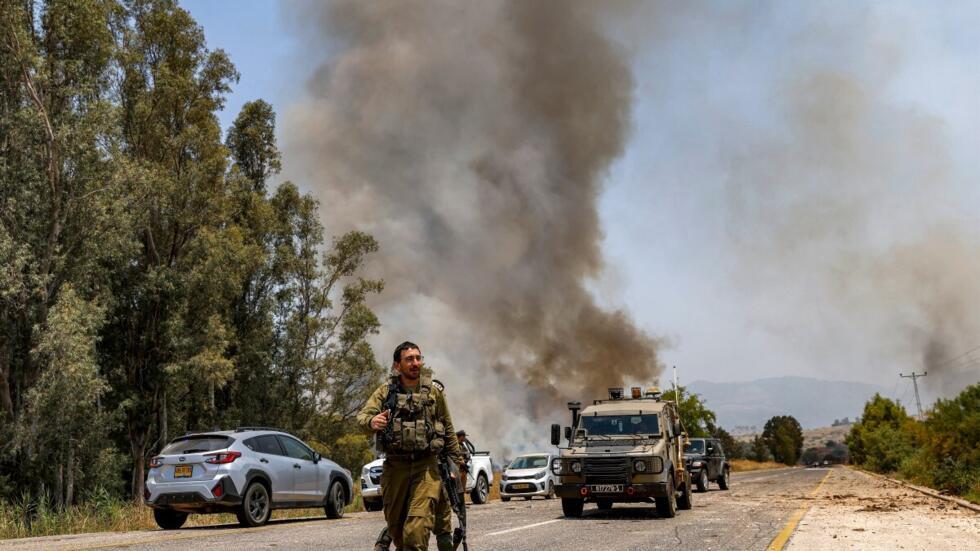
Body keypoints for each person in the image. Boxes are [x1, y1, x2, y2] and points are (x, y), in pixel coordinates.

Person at [359, 342, 464, 551]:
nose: (415, 363)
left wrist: (458, 463)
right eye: (409, 359)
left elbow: (449, 429)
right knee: (397, 531)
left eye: (418, 358)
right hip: (395, 468)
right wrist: (372, 422)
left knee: (415, 534)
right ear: (397, 365)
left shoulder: (433, 392)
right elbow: (362, 417)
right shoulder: (385, 392)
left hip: (425, 468)